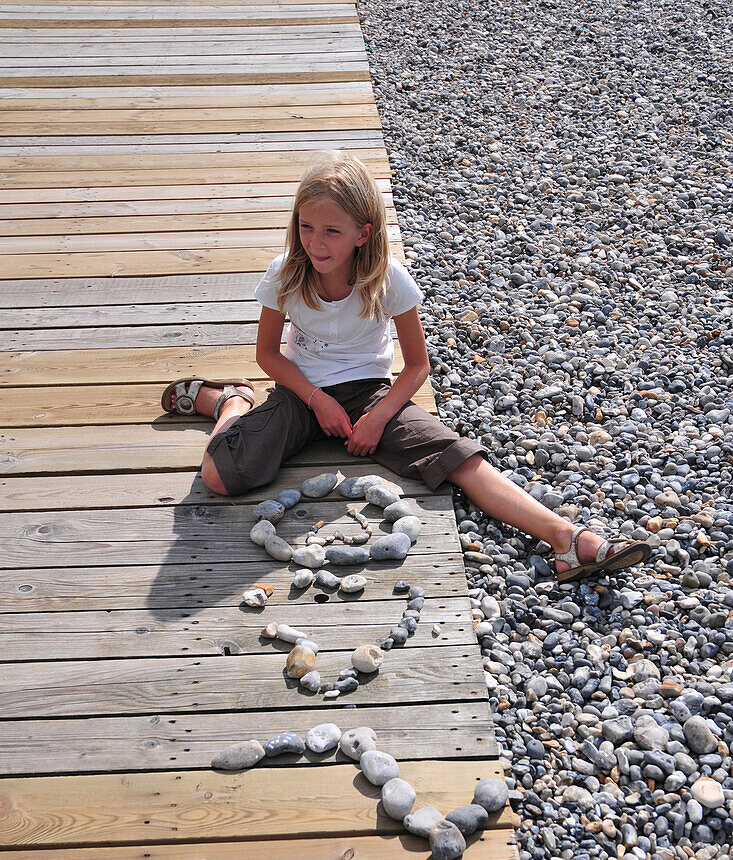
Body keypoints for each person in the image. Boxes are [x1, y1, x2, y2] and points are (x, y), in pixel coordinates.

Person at [161, 151, 650, 582]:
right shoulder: (286, 272)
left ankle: (566, 538)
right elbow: (268, 355)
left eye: (332, 231)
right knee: (220, 477)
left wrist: (377, 416)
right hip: (302, 390)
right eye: (306, 227)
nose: (316, 242)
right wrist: (316, 399)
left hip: (372, 392)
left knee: (458, 456)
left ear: (363, 233)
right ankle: (231, 401)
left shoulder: (388, 278)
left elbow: (417, 366)